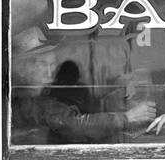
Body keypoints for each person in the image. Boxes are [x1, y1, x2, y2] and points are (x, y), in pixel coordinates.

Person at [8, 26, 154, 144]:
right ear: (23, 68)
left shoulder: (45, 92)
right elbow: (72, 124)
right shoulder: (25, 100)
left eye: (52, 64)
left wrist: (115, 85)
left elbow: (83, 104)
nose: (50, 71)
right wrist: (126, 118)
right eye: (42, 64)